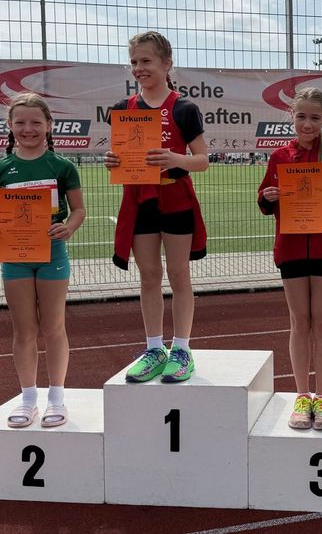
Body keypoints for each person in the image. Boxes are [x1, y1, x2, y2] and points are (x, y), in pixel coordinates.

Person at [104, 30, 209, 384]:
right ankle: (153, 349)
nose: (139, 68)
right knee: (149, 276)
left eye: (146, 61)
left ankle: (181, 350)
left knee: (179, 275)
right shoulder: (123, 109)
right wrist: (112, 161)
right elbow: (121, 157)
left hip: (175, 198)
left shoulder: (184, 108)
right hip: (140, 202)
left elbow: (202, 160)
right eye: (134, 62)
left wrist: (174, 158)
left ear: (167, 64)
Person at [258, 87, 322, 431]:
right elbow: (264, 197)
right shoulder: (279, 156)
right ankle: (301, 395)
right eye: (301, 116)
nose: (307, 124)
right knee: (298, 322)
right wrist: (268, 195)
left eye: (315, 118)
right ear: (291, 116)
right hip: (290, 247)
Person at [0, 93, 86, 428]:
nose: (28, 129)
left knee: (53, 327)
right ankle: (28, 399)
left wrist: (69, 227)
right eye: (21, 122)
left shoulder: (63, 166)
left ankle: (57, 398)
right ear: (10, 126)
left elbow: (79, 210)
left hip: (52, 254)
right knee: (24, 330)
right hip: (15, 257)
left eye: (36, 122)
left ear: (49, 126)